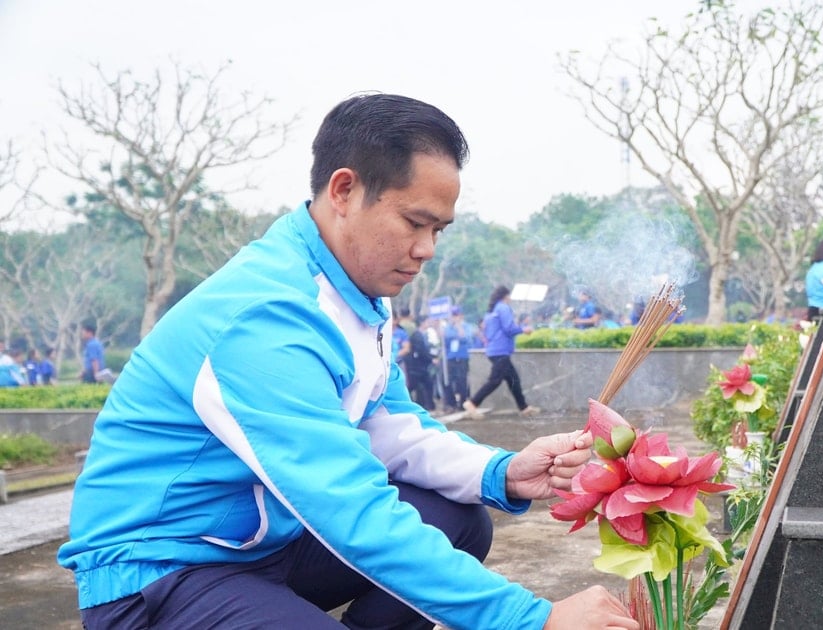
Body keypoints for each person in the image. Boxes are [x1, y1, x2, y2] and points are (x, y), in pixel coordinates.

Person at [58, 94, 636, 630]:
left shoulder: (360, 296)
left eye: (438, 229)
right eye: (414, 222)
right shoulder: (266, 317)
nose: (427, 250)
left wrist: (501, 471)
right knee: (383, 524)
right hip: (162, 569)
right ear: (343, 191)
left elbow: (386, 424)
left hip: (262, 544)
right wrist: (531, 618)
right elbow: (347, 504)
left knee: (461, 517)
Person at [462, 286, 541, 419]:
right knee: (495, 380)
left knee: (513, 379)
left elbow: (487, 331)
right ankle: (472, 403)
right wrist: (524, 330)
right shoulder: (503, 308)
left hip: (494, 349)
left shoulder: (491, 311)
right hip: (500, 350)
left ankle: (524, 407)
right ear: (506, 296)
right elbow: (509, 328)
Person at [441, 306, 473, 412]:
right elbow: (445, 339)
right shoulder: (447, 328)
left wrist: (459, 327)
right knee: (448, 381)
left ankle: (462, 404)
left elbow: (466, 338)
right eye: (453, 315)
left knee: (462, 381)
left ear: (461, 316)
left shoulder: (467, 326)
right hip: (451, 358)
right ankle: (451, 403)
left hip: (462, 357)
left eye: (456, 315)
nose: (454, 317)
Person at [403, 314, 436, 410]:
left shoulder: (422, 334)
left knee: (423, 386)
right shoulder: (417, 335)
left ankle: (426, 405)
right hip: (417, 367)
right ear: (422, 323)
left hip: (420, 367)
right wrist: (431, 359)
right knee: (415, 386)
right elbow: (421, 351)